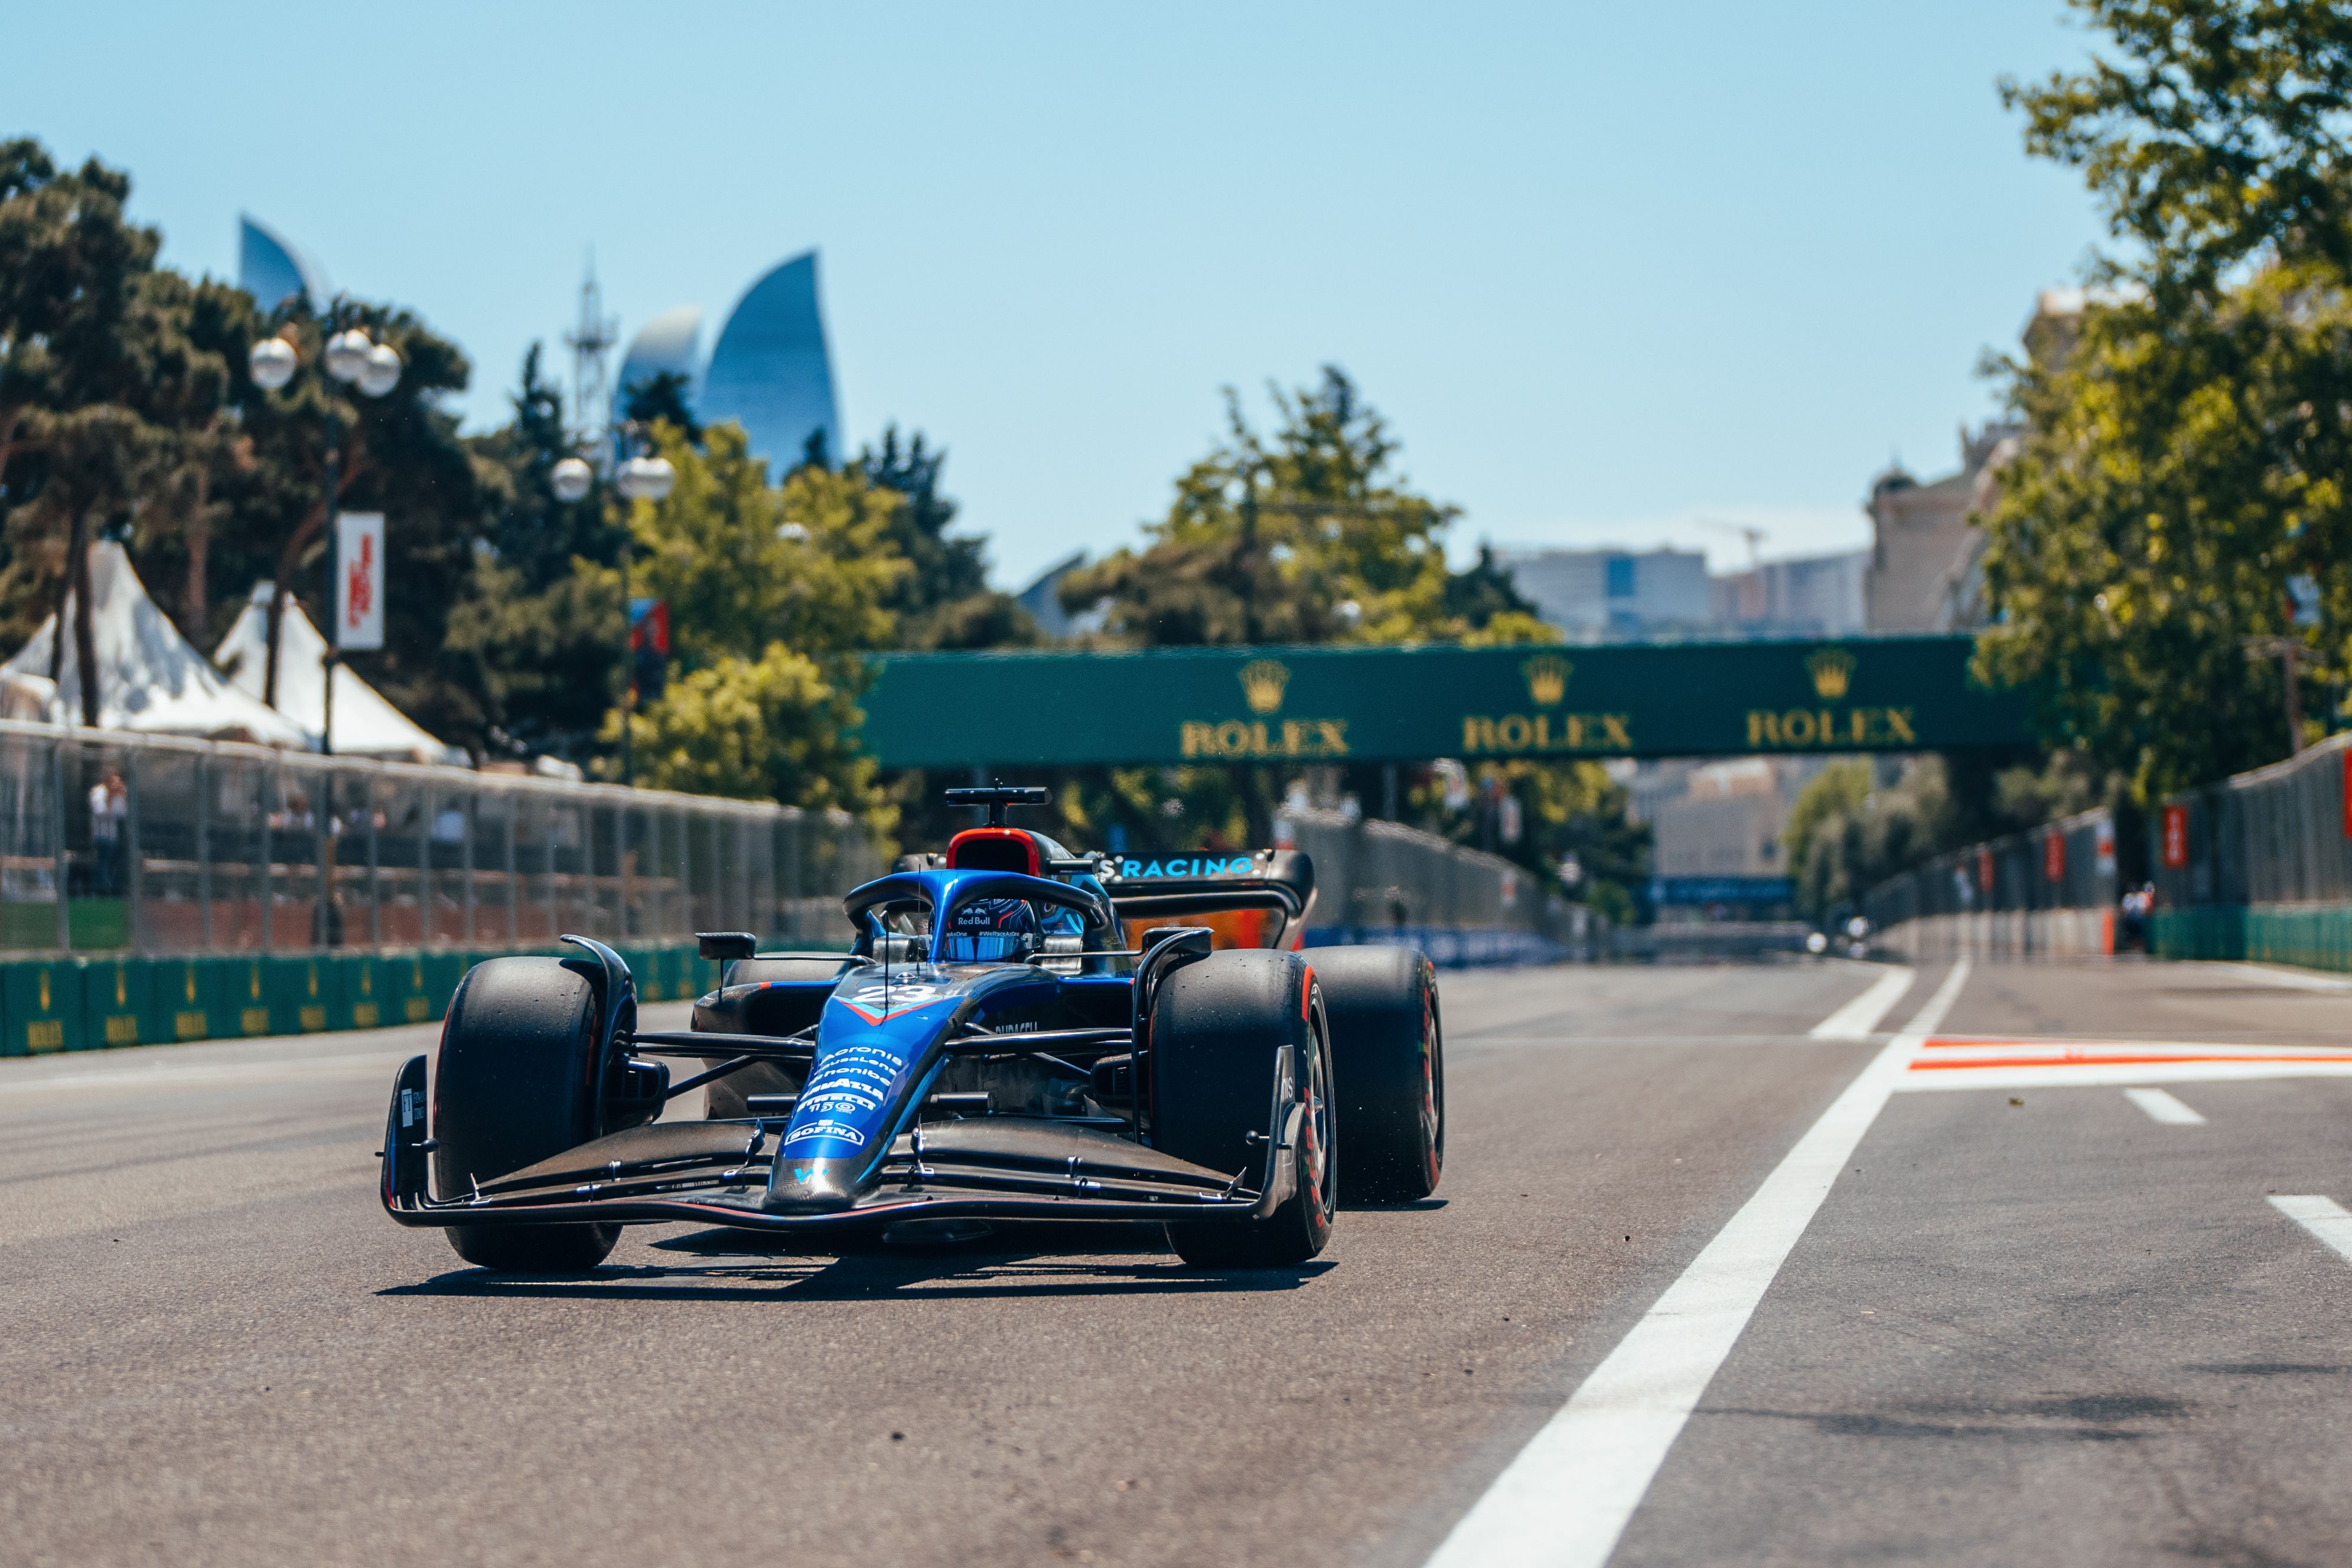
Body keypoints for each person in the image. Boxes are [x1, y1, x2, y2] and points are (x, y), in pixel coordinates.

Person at [88, 771, 126, 895]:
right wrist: (110, 799)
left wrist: (120, 796)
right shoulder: (98, 792)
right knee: (102, 862)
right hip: (101, 835)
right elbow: (99, 812)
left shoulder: (118, 794)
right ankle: (101, 890)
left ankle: (114, 889)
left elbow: (122, 813)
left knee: (115, 863)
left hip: (113, 836)